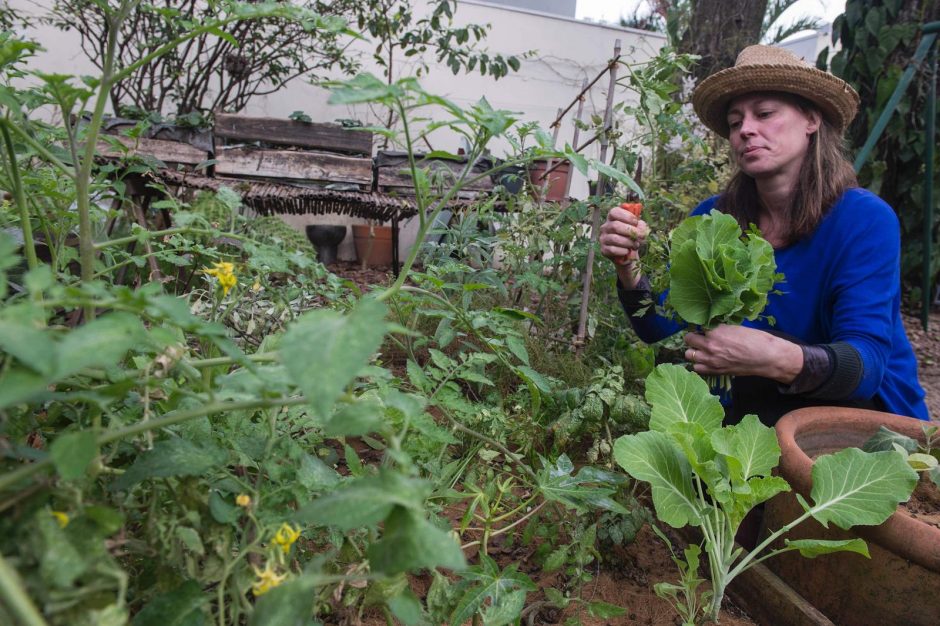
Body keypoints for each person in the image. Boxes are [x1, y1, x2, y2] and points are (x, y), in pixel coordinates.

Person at [599, 45, 929, 424]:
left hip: (866, 421)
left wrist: (773, 357)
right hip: (755, 415)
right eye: (736, 122)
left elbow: (865, 369)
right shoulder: (713, 218)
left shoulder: (864, 221)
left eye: (765, 114)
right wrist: (629, 267)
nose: (746, 130)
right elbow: (662, 328)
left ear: (811, 119)